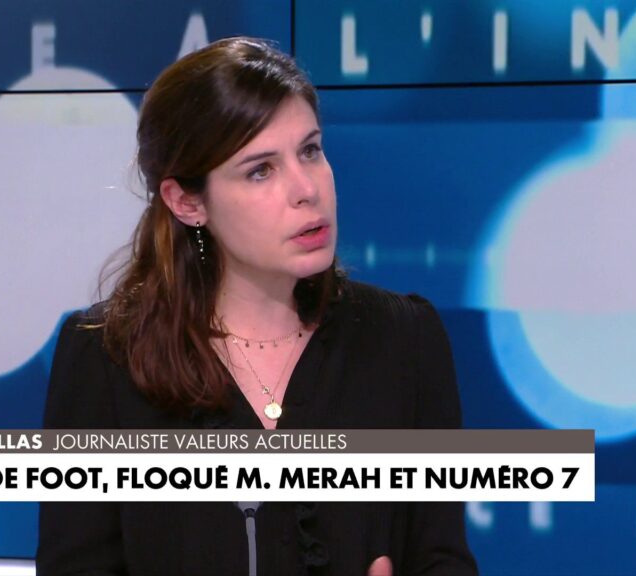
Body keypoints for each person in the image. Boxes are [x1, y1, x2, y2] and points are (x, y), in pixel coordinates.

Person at [37, 36, 478, 576]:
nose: (306, 189)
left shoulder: (404, 341)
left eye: (310, 150)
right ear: (187, 202)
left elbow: (443, 558)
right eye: (260, 170)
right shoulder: (105, 358)